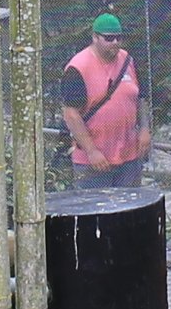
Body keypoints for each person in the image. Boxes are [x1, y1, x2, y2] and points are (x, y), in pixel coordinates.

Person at [57, 11, 147, 189]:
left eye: (118, 38)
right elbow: (71, 114)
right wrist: (91, 151)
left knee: (127, 214)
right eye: (109, 38)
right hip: (93, 162)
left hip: (128, 158)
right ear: (95, 37)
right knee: (96, 214)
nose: (115, 43)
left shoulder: (128, 60)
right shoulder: (78, 68)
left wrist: (144, 128)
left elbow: (141, 98)